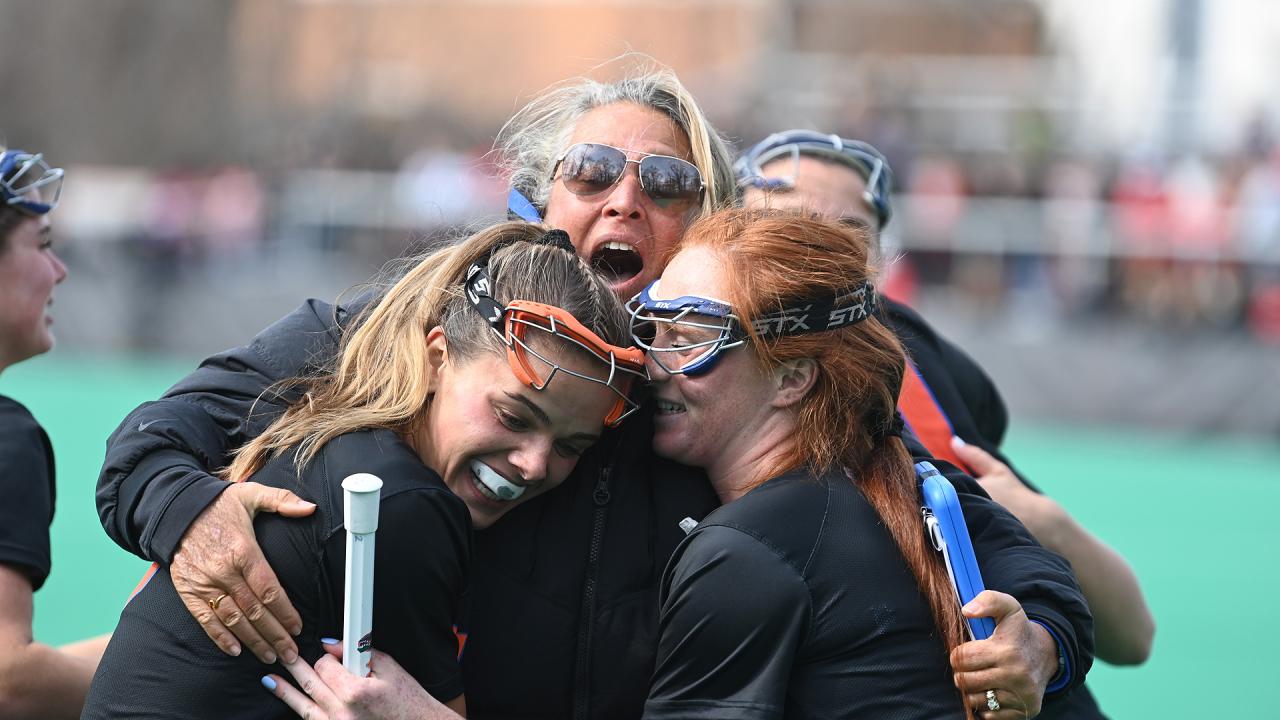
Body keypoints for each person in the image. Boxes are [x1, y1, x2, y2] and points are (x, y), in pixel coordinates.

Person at [97, 65, 1091, 719]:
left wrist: (1039, 640)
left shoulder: (733, 381)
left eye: (665, 182)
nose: (625, 199)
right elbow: (154, 437)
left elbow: (976, 530)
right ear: (538, 198)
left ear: (703, 224)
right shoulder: (420, 320)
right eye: (592, 173)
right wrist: (191, 516)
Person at [83, 222, 643, 718]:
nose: (534, 462)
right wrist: (184, 511)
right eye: (512, 415)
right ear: (434, 357)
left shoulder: (349, 439)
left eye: (571, 445)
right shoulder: (396, 507)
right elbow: (157, 433)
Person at [737, 129, 1157, 717]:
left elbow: (1133, 637)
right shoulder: (698, 380)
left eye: (847, 233)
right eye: (787, 225)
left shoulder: (925, 379)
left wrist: (1043, 524)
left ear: (879, 266)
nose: (818, 252)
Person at [636, 208, 1082, 718]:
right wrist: (1044, 646)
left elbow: (1041, 580)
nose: (652, 364)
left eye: (692, 339)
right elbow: (1044, 577)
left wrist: (1038, 648)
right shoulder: (879, 466)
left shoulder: (744, 550)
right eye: (653, 325)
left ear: (791, 379)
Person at [0, 146, 111, 717]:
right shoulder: (6, 438)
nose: (58, 270)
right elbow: (7, 681)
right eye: (42, 245)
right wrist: (171, 671)